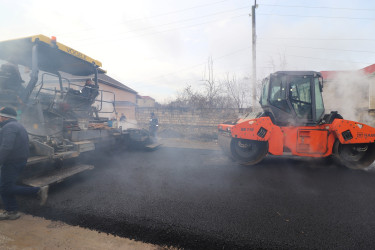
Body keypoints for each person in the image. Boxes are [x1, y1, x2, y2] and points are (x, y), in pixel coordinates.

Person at [0, 107, 48, 220]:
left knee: (4, 187)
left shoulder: (9, 127)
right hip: (18, 160)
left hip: (12, 161)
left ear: (4, 117)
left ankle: (38, 191)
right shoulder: (16, 125)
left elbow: (6, 147)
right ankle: (12, 211)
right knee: (6, 186)